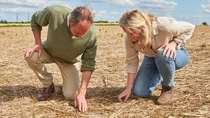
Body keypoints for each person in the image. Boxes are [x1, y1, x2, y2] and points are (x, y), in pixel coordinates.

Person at [24, 5, 98, 112]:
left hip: (69, 60)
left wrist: (82, 93)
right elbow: (35, 19)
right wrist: (38, 43)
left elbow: (89, 63)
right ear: (70, 22)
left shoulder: (92, 34)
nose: (81, 36)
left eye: (84, 33)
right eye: (78, 32)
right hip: (49, 51)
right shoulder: (54, 12)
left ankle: (68, 87)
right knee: (30, 56)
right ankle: (48, 85)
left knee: (71, 95)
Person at [117, 9, 195, 105]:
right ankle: (161, 73)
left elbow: (190, 27)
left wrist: (174, 43)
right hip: (151, 58)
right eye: (127, 33)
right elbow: (132, 62)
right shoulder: (129, 39)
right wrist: (128, 89)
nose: (129, 36)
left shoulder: (163, 26)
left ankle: (167, 88)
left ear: (141, 27)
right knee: (139, 92)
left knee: (163, 54)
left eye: (132, 32)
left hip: (176, 54)